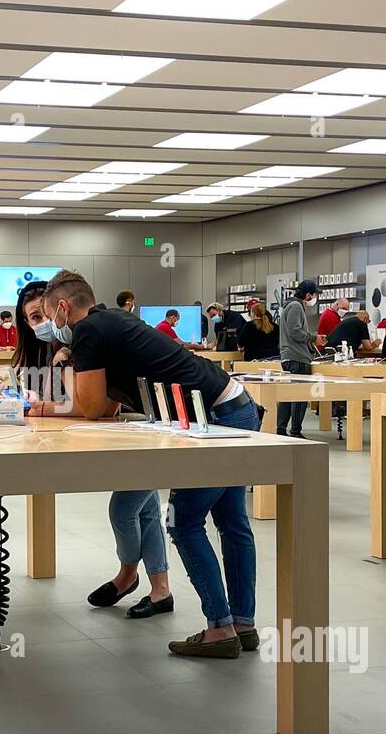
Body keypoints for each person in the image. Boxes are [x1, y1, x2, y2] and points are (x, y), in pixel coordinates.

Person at [37, 269, 263, 656]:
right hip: (235, 407)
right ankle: (242, 625)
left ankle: (219, 631)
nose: (48, 326)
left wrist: (51, 395)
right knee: (231, 523)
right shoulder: (112, 323)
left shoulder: (89, 330)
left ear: (62, 307)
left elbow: (90, 408)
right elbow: (107, 405)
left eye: (46, 316)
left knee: (186, 522)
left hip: (211, 419)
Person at [276, 279, 319, 437]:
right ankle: (295, 430)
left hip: (289, 356)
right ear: (308, 295)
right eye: (314, 295)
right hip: (297, 357)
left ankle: (281, 429)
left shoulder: (289, 306)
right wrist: (313, 338)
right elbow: (295, 331)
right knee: (299, 397)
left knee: (287, 396)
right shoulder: (295, 306)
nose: (314, 298)